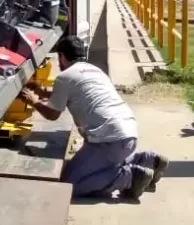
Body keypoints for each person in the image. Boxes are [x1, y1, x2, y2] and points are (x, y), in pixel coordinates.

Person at [19, 35, 168, 200]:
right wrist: (42, 93)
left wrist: (34, 101)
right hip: (128, 134)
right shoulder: (95, 70)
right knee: (104, 162)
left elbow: (52, 114)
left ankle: (130, 178)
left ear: (61, 56)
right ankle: (147, 160)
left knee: (70, 184)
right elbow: (74, 93)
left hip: (108, 141)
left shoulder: (65, 77)